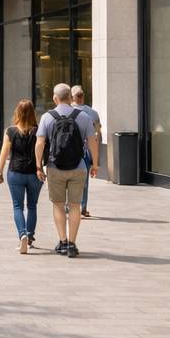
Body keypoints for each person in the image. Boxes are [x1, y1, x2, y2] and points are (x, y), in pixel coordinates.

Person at [35, 83, 98, 258]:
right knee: (75, 206)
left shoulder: (47, 117)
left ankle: (62, 241)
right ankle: (72, 244)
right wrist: (95, 164)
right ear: (71, 97)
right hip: (78, 167)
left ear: (55, 98)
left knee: (58, 205)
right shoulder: (83, 116)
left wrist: (38, 165)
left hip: (55, 167)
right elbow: (92, 141)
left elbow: (40, 143)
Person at [0, 99, 42, 254]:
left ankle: (22, 234)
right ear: (32, 113)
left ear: (18, 112)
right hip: (34, 174)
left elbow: (4, 152)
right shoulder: (38, 131)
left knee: (17, 206)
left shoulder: (10, 131)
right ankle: (29, 238)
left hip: (15, 173)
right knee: (32, 206)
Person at [70, 85, 102, 218]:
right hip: (86, 151)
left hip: (69, 150)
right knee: (84, 181)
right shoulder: (92, 113)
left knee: (68, 178)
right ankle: (83, 207)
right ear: (83, 96)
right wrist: (96, 160)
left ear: (72, 96)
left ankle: (68, 206)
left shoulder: (66, 111)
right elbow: (98, 135)